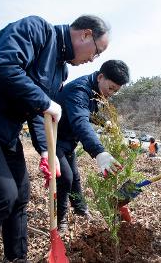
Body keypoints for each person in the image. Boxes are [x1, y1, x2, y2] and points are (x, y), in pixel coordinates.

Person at [0, 15, 110, 262]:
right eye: (97, 52)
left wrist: (45, 152)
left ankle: (17, 257)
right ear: (85, 34)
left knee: (20, 195)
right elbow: (4, 67)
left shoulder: (60, 68)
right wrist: (46, 102)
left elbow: (36, 110)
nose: (93, 60)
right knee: (2, 196)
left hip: (5, 129)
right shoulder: (36, 30)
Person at [40, 60, 129, 232]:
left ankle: (81, 209)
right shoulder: (79, 90)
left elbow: (88, 112)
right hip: (54, 138)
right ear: (101, 77)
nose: (111, 93)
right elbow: (80, 121)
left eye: (115, 91)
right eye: (110, 88)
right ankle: (61, 219)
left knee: (75, 177)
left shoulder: (94, 89)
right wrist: (99, 151)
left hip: (69, 140)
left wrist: (105, 122)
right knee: (65, 178)